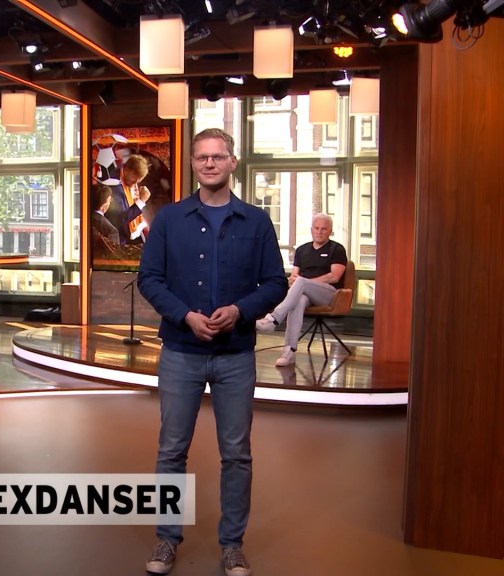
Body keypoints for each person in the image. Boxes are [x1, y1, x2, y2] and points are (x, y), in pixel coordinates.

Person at [137, 128, 287, 576]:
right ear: (193, 163)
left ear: (232, 162)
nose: (209, 163)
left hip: (235, 355)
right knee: (171, 450)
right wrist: (185, 316)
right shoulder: (169, 219)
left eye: (217, 156)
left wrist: (240, 311)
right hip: (180, 351)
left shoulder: (257, 222)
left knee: (236, 453)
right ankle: (166, 539)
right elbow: (149, 279)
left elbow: (275, 283)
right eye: (201, 157)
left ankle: (232, 545)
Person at [255, 213, 347, 367]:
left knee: (301, 283)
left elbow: (334, 277)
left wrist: (304, 282)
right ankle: (289, 352)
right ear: (311, 230)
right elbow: (294, 276)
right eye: (316, 228)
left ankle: (274, 319)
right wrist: (295, 281)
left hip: (330, 294)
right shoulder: (302, 250)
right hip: (305, 292)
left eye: (323, 229)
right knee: (299, 300)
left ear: (330, 231)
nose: (319, 232)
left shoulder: (337, 249)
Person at [106, 153, 151, 244]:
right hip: (117, 239)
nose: (136, 182)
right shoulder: (114, 188)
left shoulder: (125, 175)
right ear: (126, 170)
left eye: (140, 178)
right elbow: (119, 220)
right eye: (135, 177)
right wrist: (141, 201)